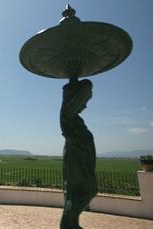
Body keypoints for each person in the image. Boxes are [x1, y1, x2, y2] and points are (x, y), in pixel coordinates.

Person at [60, 78, 98, 229]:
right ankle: (68, 223)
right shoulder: (68, 117)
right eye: (84, 100)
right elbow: (87, 85)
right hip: (77, 159)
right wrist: (80, 88)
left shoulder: (74, 119)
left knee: (74, 192)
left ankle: (70, 223)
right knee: (89, 189)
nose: (85, 105)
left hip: (80, 159)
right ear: (76, 99)